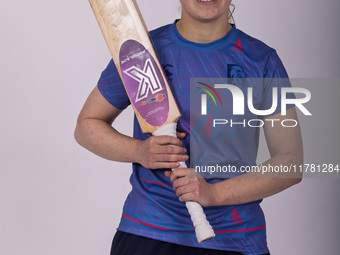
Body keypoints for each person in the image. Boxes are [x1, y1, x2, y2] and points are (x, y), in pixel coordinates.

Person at [75, 0, 303, 254]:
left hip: (235, 240)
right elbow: (87, 125)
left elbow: (291, 162)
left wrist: (213, 194)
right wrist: (139, 151)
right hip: (149, 232)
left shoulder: (261, 59)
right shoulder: (141, 52)